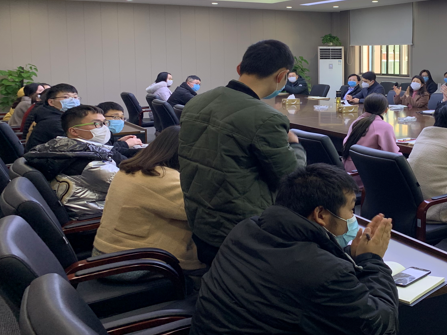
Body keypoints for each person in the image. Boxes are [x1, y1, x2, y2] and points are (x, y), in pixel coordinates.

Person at [188, 164, 398, 335]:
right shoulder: (322, 273)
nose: (353, 218)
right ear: (321, 215)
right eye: (351, 210)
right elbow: (380, 330)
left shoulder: (246, 229)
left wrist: (347, 254)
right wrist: (372, 260)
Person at [179, 39, 307, 265]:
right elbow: (290, 180)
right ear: (282, 76)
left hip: (200, 222)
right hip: (243, 232)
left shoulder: (196, 103)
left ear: (239, 68)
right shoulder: (266, 118)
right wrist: (295, 145)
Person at [92, 126, 205, 288]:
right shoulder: (161, 178)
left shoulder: (133, 168)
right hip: (135, 264)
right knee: (222, 260)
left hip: (109, 254)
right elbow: (202, 211)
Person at [25, 105, 122, 220]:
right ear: (74, 131)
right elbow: (133, 187)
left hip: (88, 207)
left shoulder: (62, 147)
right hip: (96, 218)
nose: (104, 128)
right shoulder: (91, 164)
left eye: (104, 123)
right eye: (97, 124)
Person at [341, 93, 400, 173]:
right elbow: (393, 155)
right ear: (386, 110)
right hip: (368, 174)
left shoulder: (356, 122)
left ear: (364, 108)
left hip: (350, 171)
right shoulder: (384, 127)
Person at [24, 83, 82, 151]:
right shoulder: (52, 121)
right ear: (51, 102)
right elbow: (76, 143)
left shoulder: (64, 116)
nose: (72, 101)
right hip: (44, 156)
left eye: (75, 97)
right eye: (66, 97)